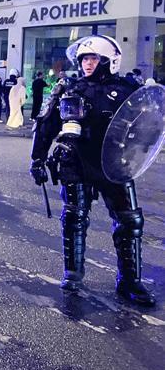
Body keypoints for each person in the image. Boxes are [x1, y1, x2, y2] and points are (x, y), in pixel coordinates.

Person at [30, 34, 155, 306]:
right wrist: (37, 159)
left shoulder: (127, 89)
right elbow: (46, 123)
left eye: (93, 58)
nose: (87, 63)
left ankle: (129, 282)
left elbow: (147, 124)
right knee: (74, 217)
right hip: (76, 161)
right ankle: (73, 273)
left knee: (130, 221)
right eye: (84, 58)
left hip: (116, 163)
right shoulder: (69, 88)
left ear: (108, 60)